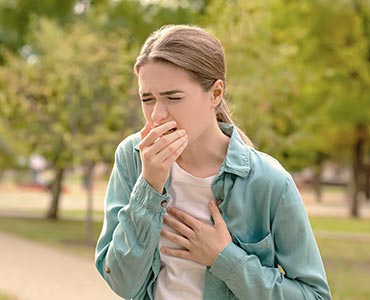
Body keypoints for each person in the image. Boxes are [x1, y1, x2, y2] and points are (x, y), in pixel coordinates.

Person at [95, 24, 331, 300]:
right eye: (147, 99)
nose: (157, 115)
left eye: (173, 97)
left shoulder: (269, 182)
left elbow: (314, 295)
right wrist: (149, 186)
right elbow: (122, 282)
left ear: (216, 94)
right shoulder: (133, 158)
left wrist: (225, 259)